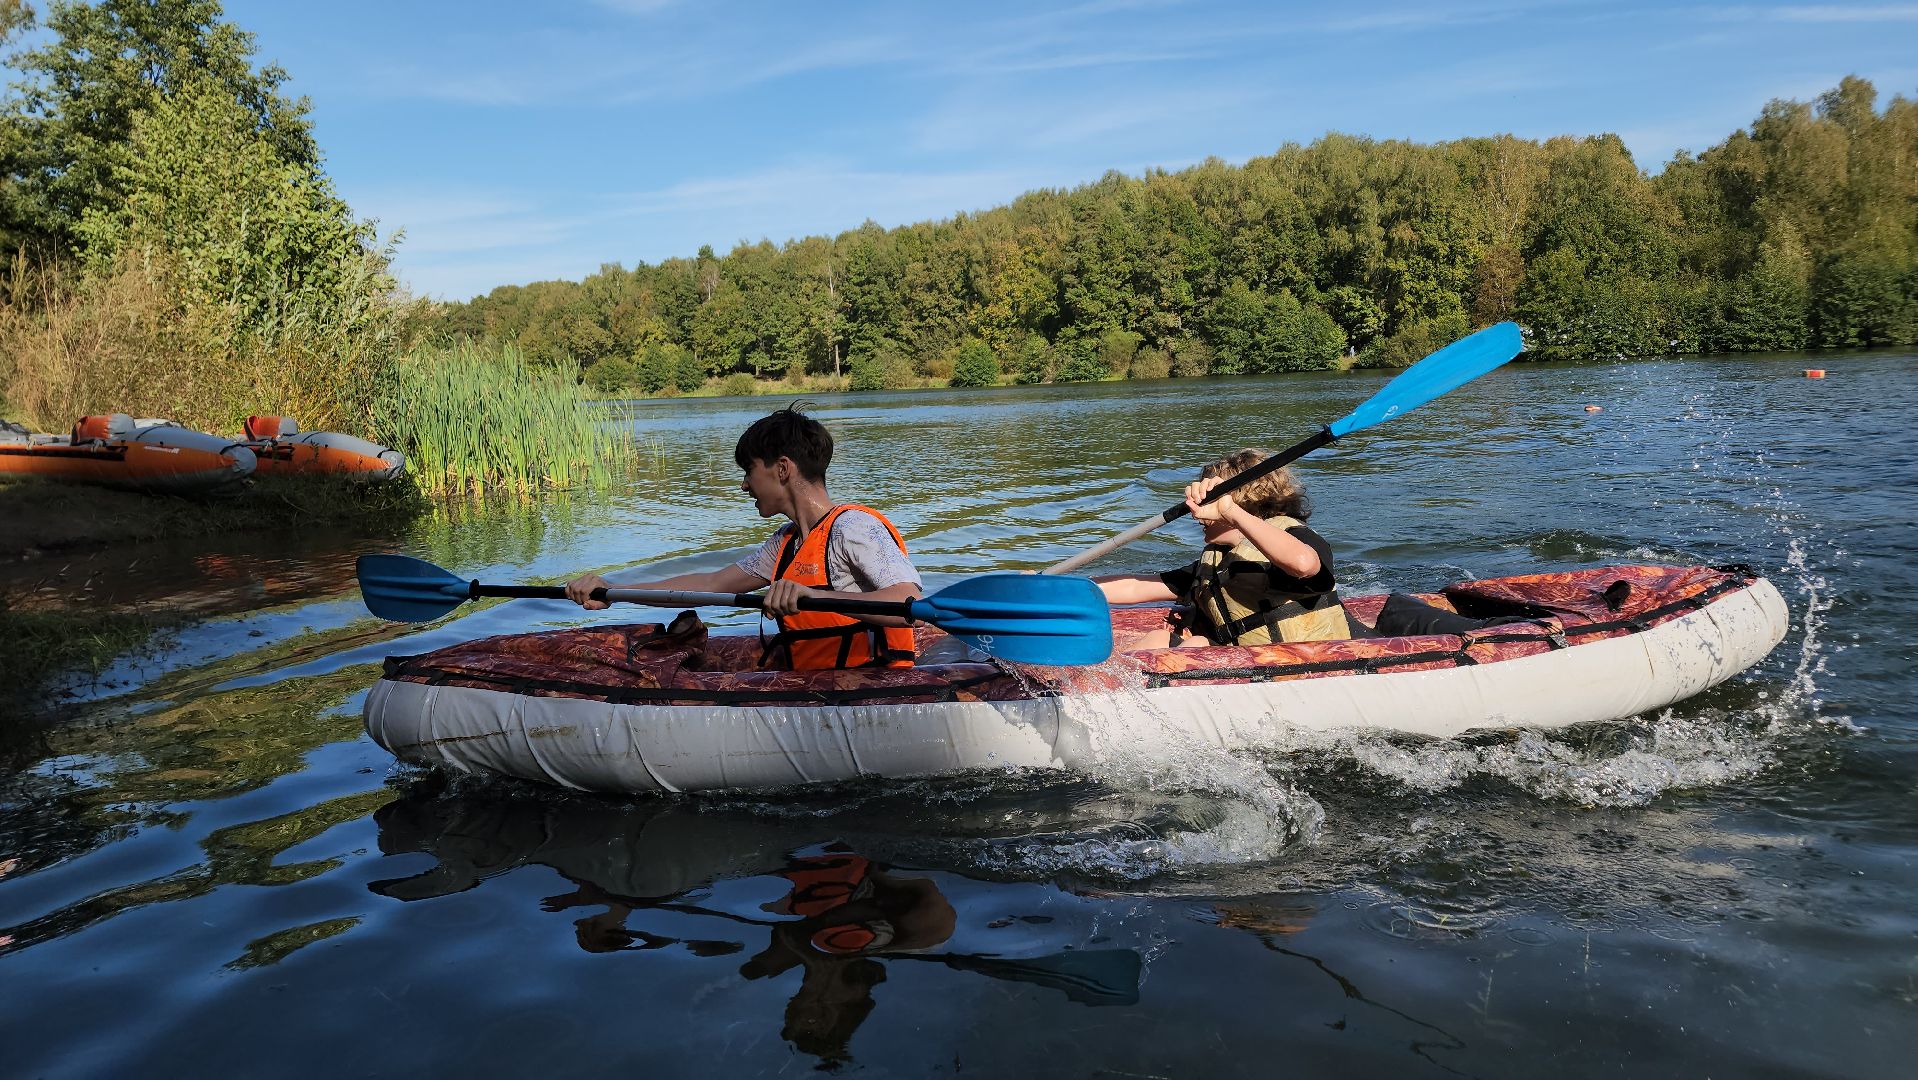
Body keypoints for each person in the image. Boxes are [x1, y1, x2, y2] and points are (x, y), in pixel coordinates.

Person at [564, 405, 922, 669]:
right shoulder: (786, 544)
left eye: (749, 470)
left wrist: (813, 596)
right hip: (818, 685)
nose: (744, 484)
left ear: (782, 469)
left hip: (876, 686)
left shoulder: (853, 528)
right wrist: (614, 591)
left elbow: (908, 604)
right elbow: (710, 583)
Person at [1096, 448, 1351, 649]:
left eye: (1209, 502)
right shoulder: (1214, 564)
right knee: (1158, 639)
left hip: (1313, 663)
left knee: (1196, 644)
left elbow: (1304, 564)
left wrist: (1228, 511)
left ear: (1242, 504)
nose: (1196, 513)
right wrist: (1065, 589)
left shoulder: (1296, 537)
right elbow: (1134, 586)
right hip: (1249, 664)